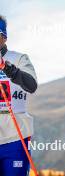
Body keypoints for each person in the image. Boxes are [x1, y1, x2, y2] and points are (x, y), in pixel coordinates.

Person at [0, 15, 38, 176]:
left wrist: (8, 68)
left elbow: (31, 85)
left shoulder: (19, 58)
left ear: (3, 37)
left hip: (15, 137)